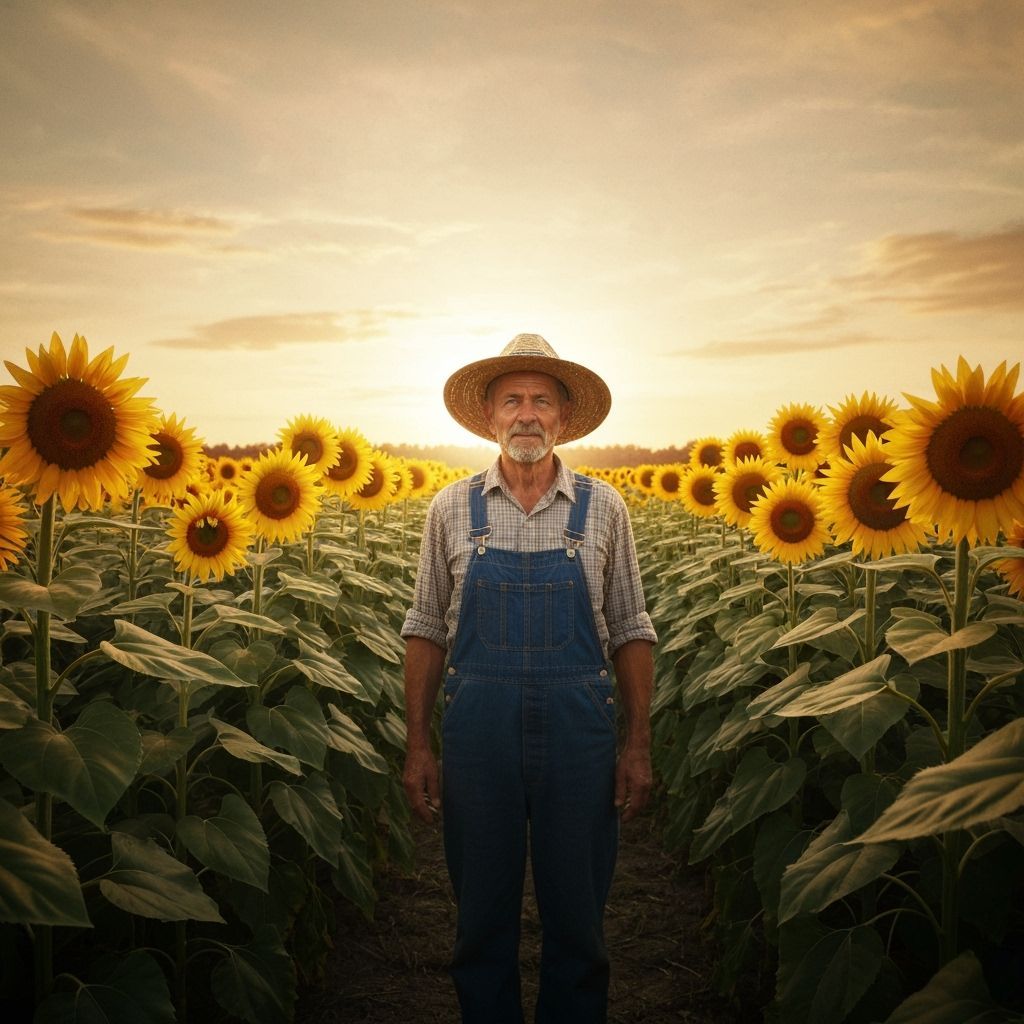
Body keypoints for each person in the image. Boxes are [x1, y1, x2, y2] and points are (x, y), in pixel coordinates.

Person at [401, 333, 657, 1024]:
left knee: (578, 921)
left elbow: (631, 628)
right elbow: (425, 628)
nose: (527, 414)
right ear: (488, 417)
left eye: (542, 400)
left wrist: (637, 744)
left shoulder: (604, 508)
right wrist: (419, 745)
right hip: (477, 734)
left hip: (579, 734)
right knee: (481, 921)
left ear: (564, 419)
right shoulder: (451, 509)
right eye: (511, 399)